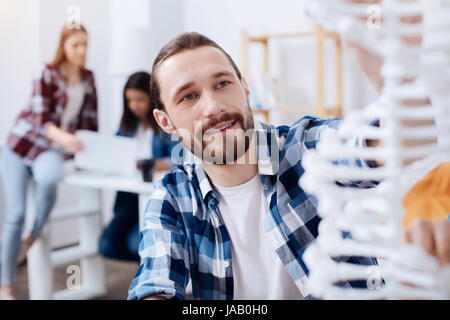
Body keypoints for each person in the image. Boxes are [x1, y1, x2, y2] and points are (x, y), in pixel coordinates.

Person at [127, 32, 380, 301]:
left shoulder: (305, 148)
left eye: (223, 83)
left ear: (245, 88)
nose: (213, 106)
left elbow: (379, 144)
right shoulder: (173, 195)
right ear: (165, 122)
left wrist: (398, 82)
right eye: (188, 97)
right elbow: (155, 283)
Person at [0, 24, 98, 300]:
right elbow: (42, 121)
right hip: (21, 146)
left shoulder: (89, 78)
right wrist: (66, 139)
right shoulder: (46, 73)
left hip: (50, 151)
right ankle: (5, 286)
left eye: (85, 45)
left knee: (50, 178)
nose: (82, 51)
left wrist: (90, 153)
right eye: (76, 45)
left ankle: (33, 236)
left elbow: (90, 123)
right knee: (16, 214)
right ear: (64, 46)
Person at [98, 71, 177, 262]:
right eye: (130, 100)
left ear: (152, 97)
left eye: (140, 99)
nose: (135, 105)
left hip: (155, 196)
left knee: (136, 244)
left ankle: (157, 266)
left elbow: (178, 159)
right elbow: (115, 152)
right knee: (106, 246)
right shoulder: (127, 125)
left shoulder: (166, 124)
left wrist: (145, 164)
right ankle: (151, 263)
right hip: (129, 197)